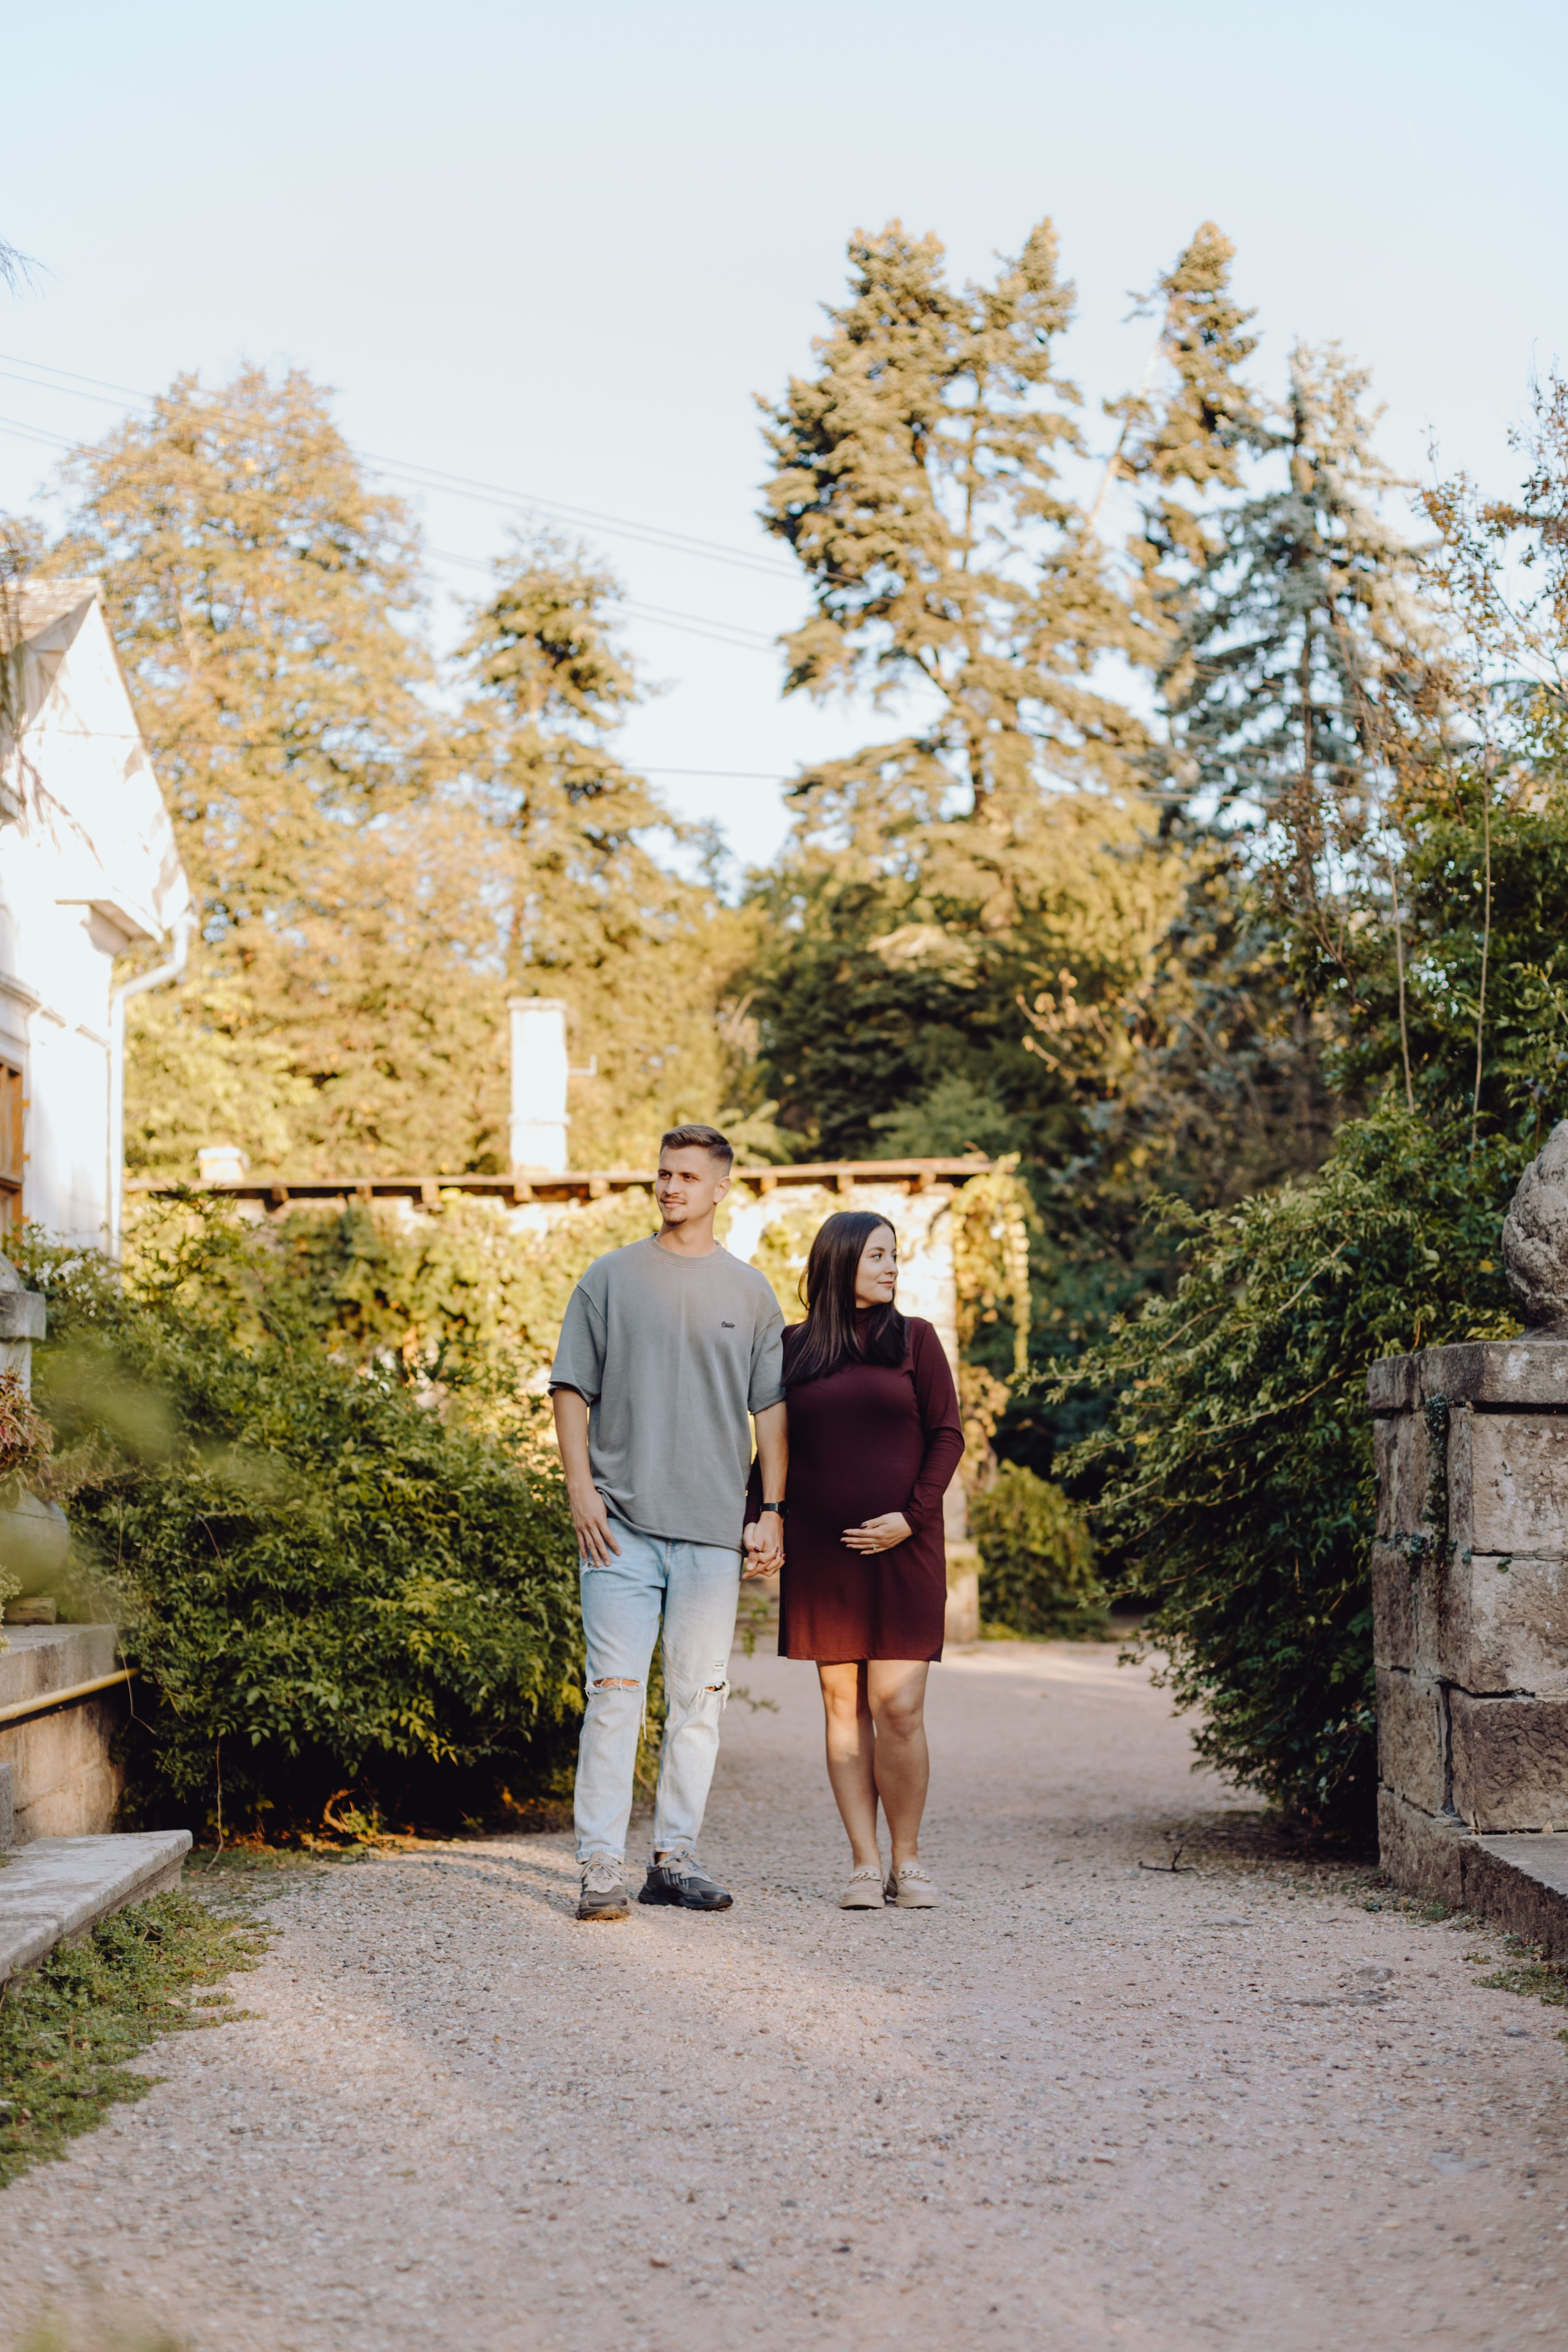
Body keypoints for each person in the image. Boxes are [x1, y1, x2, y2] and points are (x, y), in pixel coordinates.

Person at [550, 1124, 787, 1923]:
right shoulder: (610, 1279)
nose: (670, 1188)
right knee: (615, 1694)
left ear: (722, 1188)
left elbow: (772, 1416)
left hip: (714, 1533)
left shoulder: (752, 1293)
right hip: (617, 1528)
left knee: (699, 1701)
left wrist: (773, 1512)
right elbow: (570, 1390)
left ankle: (674, 1859)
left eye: (687, 1176)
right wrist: (580, 1490)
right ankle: (598, 1869)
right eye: (663, 1174)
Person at [745, 1210, 963, 1909]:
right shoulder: (793, 1348)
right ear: (840, 1262)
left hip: (905, 1548)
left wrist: (913, 1516)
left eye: (895, 1256)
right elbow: (773, 1446)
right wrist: (760, 1521)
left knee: (897, 1709)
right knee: (843, 1709)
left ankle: (910, 1862)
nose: (892, 1267)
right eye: (877, 1256)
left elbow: (946, 1436)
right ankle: (864, 1866)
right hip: (824, 1555)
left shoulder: (916, 1340)